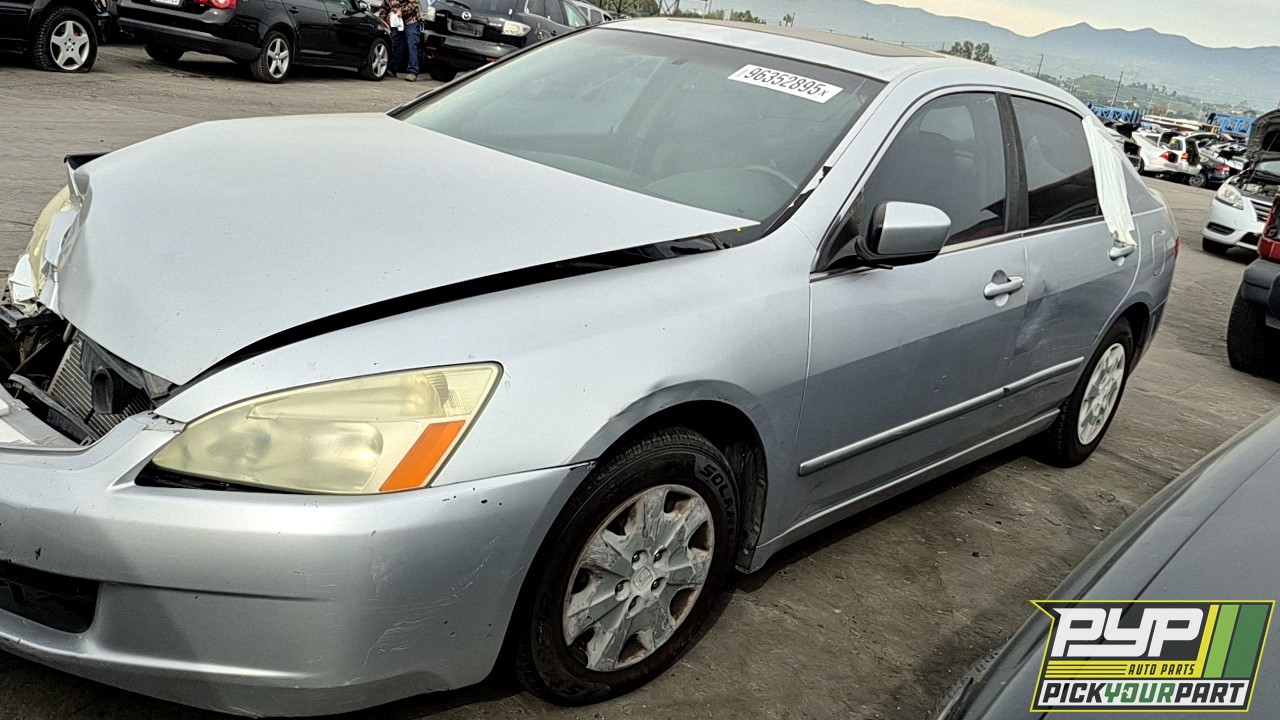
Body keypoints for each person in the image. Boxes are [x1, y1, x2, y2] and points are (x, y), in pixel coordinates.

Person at [383, 0, 421, 81]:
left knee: (412, 45)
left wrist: (403, 11)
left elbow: (414, 3)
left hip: (411, 21)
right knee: (396, 43)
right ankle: (392, 68)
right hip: (397, 21)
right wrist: (381, 19)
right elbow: (384, 7)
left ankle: (413, 71)